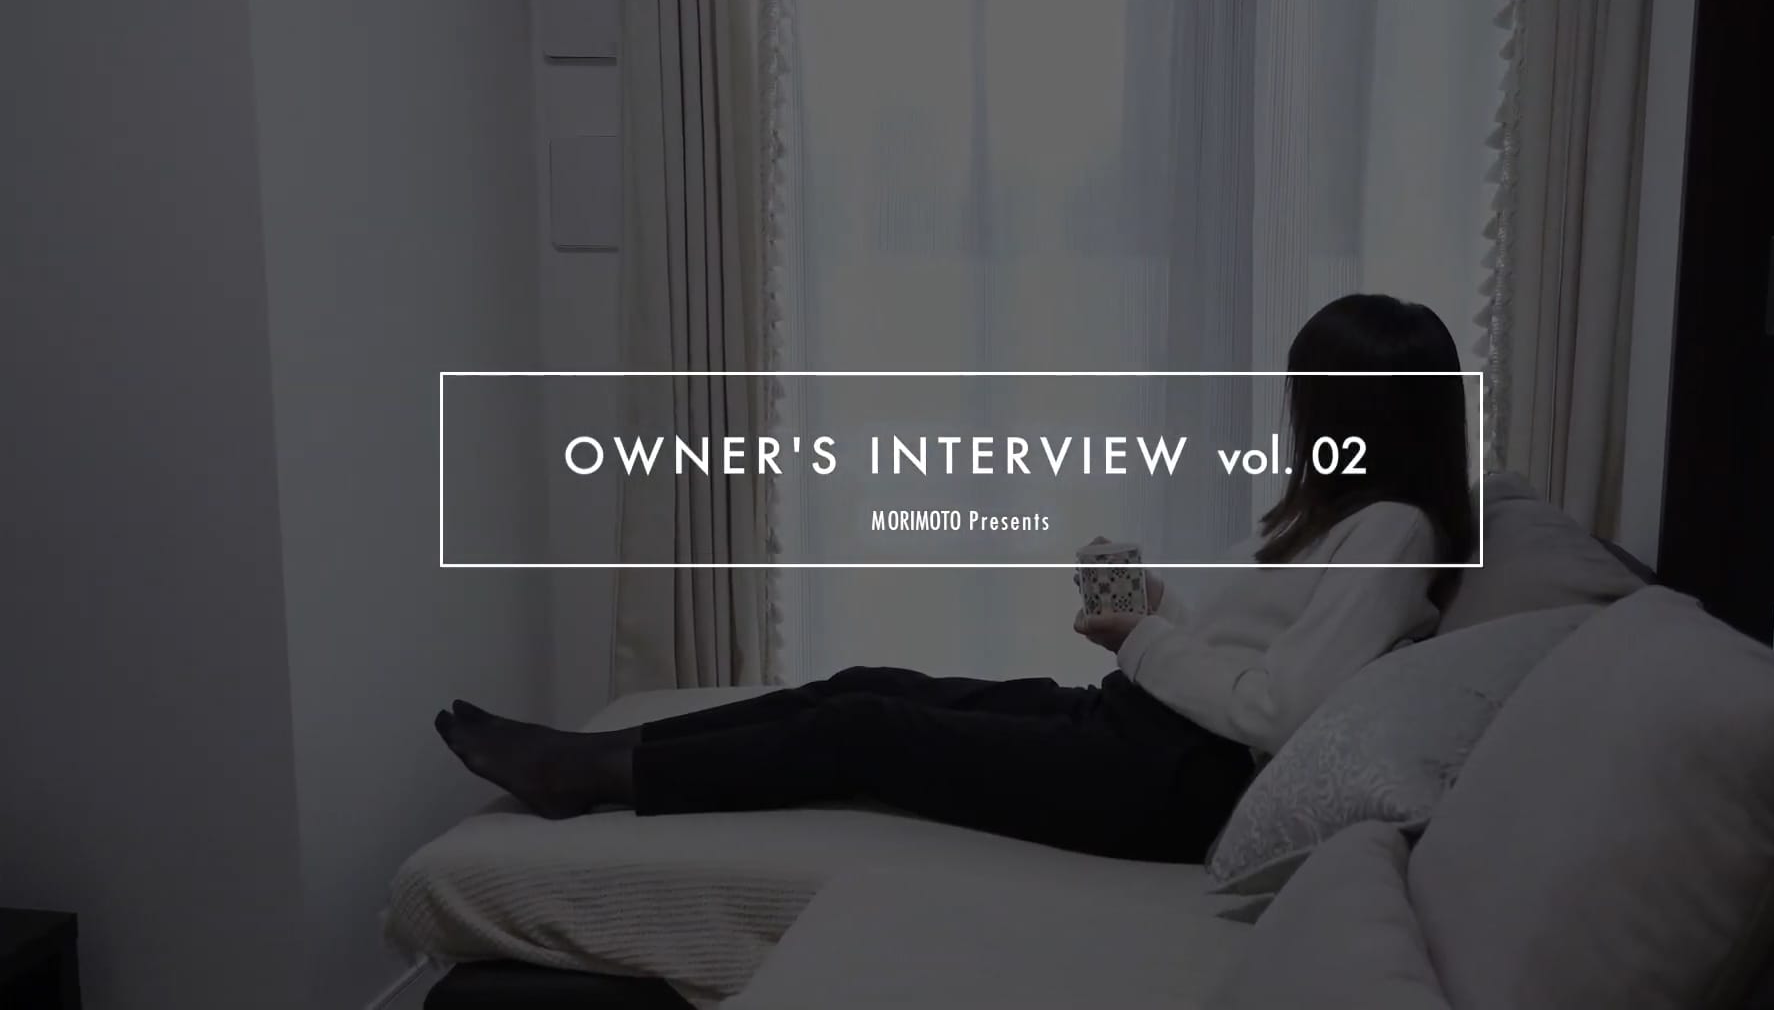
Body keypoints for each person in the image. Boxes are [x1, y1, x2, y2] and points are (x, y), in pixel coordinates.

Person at [436, 294, 1474, 863]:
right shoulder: (1344, 516)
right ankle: (600, 756)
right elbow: (1254, 658)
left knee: (865, 734)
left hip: (1169, 785)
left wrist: (1143, 637)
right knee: (863, 686)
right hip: (1138, 731)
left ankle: (596, 779)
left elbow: (1278, 711)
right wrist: (1154, 606)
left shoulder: (1395, 534)